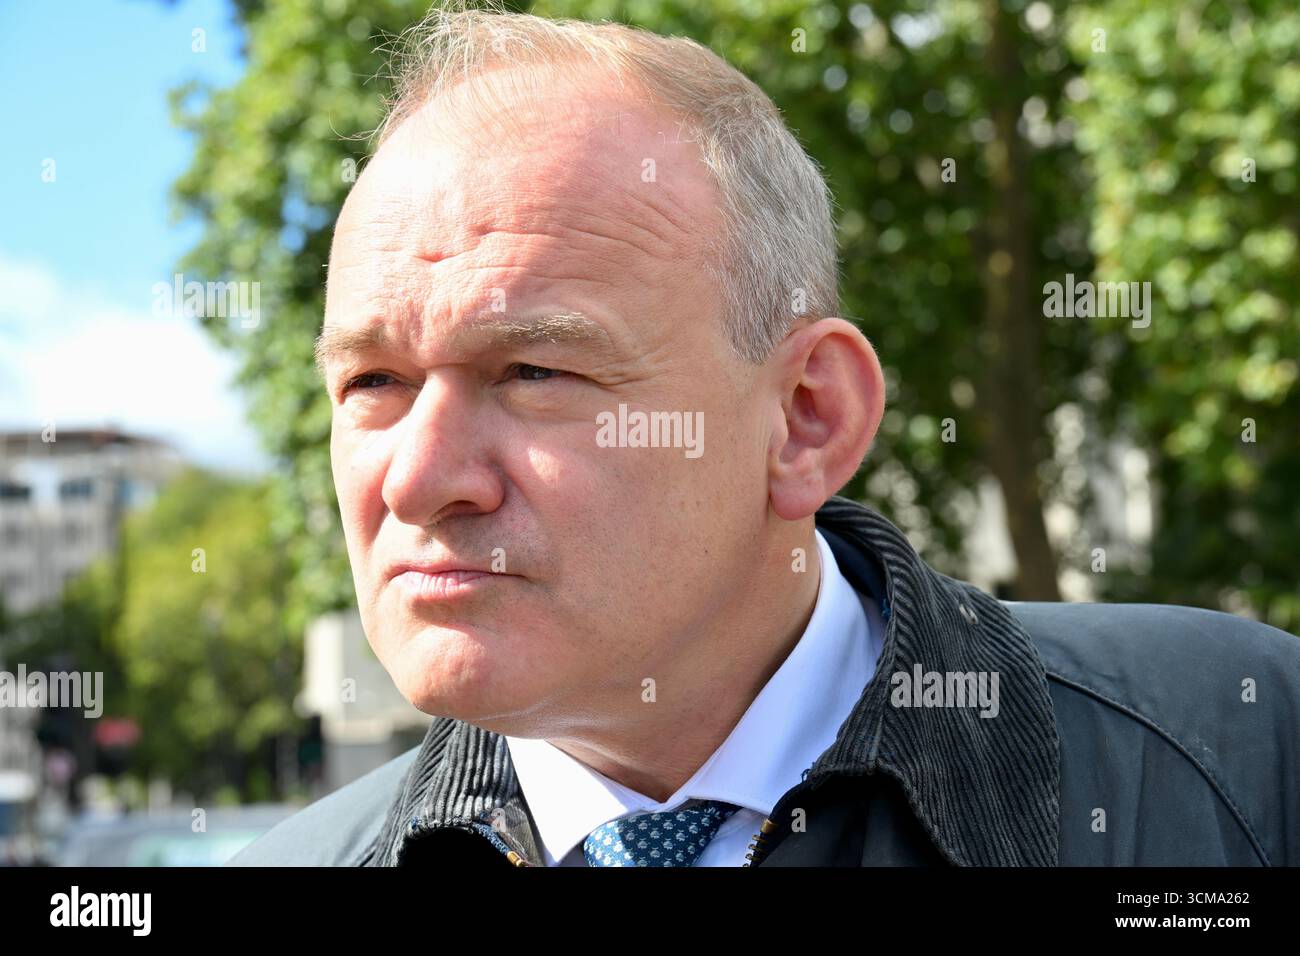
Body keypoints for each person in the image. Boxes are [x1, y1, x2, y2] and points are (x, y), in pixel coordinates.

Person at [231, 3, 1299, 867]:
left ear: (805, 418)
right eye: (372, 380)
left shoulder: (1236, 757)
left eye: (534, 370)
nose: (417, 478)